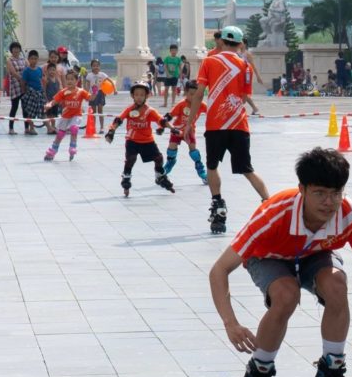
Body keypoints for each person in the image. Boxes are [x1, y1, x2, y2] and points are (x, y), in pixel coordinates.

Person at [208, 147, 352, 377]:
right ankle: (260, 372)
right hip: (269, 256)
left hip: (315, 253)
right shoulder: (273, 214)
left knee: (337, 284)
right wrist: (230, 323)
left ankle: (332, 371)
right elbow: (219, 270)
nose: (329, 203)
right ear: (302, 189)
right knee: (286, 295)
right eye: (319, 194)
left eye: (336, 193)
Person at [183, 26, 270, 234]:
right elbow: (243, 96)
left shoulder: (209, 61)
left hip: (215, 125)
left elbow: (198, 95)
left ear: (221, 41)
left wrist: (189, 123)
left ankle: (218, 204)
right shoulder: (245, 66)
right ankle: (269, 205)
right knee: (247, 169)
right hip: (239, 125)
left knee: (212, 166)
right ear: (240, 44)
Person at [104, 82, 175, 195]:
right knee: (130, 160)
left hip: (147, 141)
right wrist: (111, 131)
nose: (139, 97)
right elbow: (118, 120)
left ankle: (159, 176)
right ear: (133, 96)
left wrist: (172, 128)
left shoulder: (149, 111)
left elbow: (161, 120)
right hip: (132, 141)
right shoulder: (129, 109)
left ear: (146, 96)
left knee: (159, 158)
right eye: (136, 94)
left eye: (142, 95)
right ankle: (126, 179)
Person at [163, 80, 208, 183]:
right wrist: (163, 122)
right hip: (177, 130)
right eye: (191, 94)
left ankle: (202, 173)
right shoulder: (181, 104)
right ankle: (169, 164)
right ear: (186, 93)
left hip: (190, 131)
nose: (193, 97)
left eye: (196, 95)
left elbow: (211, 113)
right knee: (171, 149)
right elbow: (170, 115)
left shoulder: (201, 105)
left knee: (194, 152)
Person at [43, 70, 93, 162]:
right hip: (65, 116)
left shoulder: (81, 91)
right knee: (60, 134)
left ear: (76, 81)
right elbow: (55, 101)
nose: (69, 81)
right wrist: (49, 105)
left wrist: (95, 93)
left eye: (72, 79)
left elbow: (90, 98)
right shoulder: (63, 92)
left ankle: (72, 147)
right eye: (68, 79)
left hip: (76, 115)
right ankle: (52, 151)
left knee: (74, 128)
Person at [83, 58, 111, 133]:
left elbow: (109, 81)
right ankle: (93, 127)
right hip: (92, 94)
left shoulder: (102, 75)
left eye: (97, 66)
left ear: (100, 67)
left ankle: (102, 127)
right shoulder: (89, 75)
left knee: (100, 111)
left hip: (100, 93)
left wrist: (114, 89)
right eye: (94, 66)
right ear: (91, 67)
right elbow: (87, 86)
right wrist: (86, 95)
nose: (96, 67)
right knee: (93, 112)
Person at [20, 50, 43, 135]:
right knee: (30, 112)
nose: (34, 60)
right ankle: (31, 128)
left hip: (39, 92)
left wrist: (42, 91)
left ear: (38, 59)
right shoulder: (26, 71)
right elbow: (23, 82)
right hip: (30, 93)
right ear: (28, 59)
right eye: (32, 59)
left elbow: (40, 80)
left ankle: (49, 127)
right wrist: (24, 92)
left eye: (35, 59)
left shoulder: (39, 69)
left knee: (41, 110)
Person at [5, 41, 27, 134]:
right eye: (14, 48)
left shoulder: (24, 59)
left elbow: (28, 69)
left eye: (17, 48)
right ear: (11, 50)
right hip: (15, 86)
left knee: (25, 107)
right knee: (14, 107)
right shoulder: (9, 60)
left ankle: (27, 128)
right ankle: (11, 128)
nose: (16, 50)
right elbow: (13, 73)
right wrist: (22, 80)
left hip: (25, 86)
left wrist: (25, 81)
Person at [43, 62, 62, 134]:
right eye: (50, 70)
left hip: (55, 101)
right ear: (47, 71)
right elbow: (44, 90)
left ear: (56, 71)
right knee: (49, 114)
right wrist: (46, 99)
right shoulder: (46, 80)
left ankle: (53, 126)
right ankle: (49, 128)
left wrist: (59, 99)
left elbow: (59, 90)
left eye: (53, 70)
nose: (52, 72)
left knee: (54, 114)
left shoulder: (57, 80)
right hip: (49, 100)